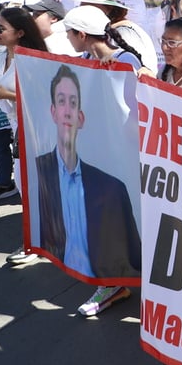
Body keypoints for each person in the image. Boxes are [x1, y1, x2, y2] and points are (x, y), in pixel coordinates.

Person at [35, 64, 140, 282]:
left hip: (99, 279)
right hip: (61, 277)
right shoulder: (39, 172)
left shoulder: (111, 187)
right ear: (53, 112)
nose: (67, 110)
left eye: (73, 103)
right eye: (61, 101)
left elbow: (131, 256)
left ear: (80, 118)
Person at [0, 7, 48, 206]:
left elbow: (42, 99)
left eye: (1, 28)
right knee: (23, 183)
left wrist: (5, 94)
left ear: (20, 33)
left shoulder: (32, 60)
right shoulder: (4, 55)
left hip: (34, 132)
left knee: (32, 184)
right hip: (16, 126)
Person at [77, 0, 159, 76]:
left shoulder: (126, 33)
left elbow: (138, 74)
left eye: (88, 7)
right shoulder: (100, 34)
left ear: (109, 8)